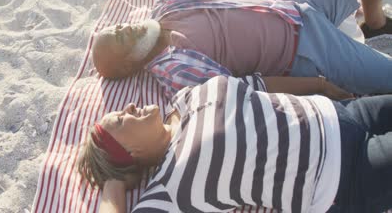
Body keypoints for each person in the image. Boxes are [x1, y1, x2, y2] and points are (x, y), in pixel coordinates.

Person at [92, 0, 392, 98]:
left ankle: (375, 22)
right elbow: (247, 89)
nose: (123, 28)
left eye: (116, 28)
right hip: (308, 52)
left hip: (297, 5)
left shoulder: (164, 10)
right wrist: (320, 86)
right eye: (119, 38)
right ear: (127, 67)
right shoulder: (174, 68)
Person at [78, 74, 392, 213]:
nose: (129, 108)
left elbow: (256, 83)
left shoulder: (184, 99)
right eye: (121, 120)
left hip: (344, 113)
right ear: (132, 154)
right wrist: (112, 182)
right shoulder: (173, 185)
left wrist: (319, 84)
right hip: (346, 174)